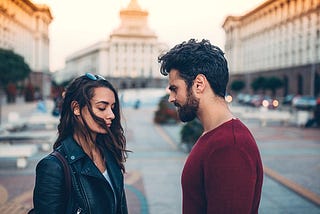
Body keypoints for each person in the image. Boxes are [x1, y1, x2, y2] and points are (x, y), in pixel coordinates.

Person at [158, 39, 263, 214]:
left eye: (174, 89)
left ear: (199, 84)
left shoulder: (230, 146)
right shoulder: (215, 135)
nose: (171, 98)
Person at [32, 73, 129, 214]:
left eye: (112, 107)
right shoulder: (53, 167)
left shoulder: (110, 151)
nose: (111, 115)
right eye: (102, 108)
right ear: (76, 108)